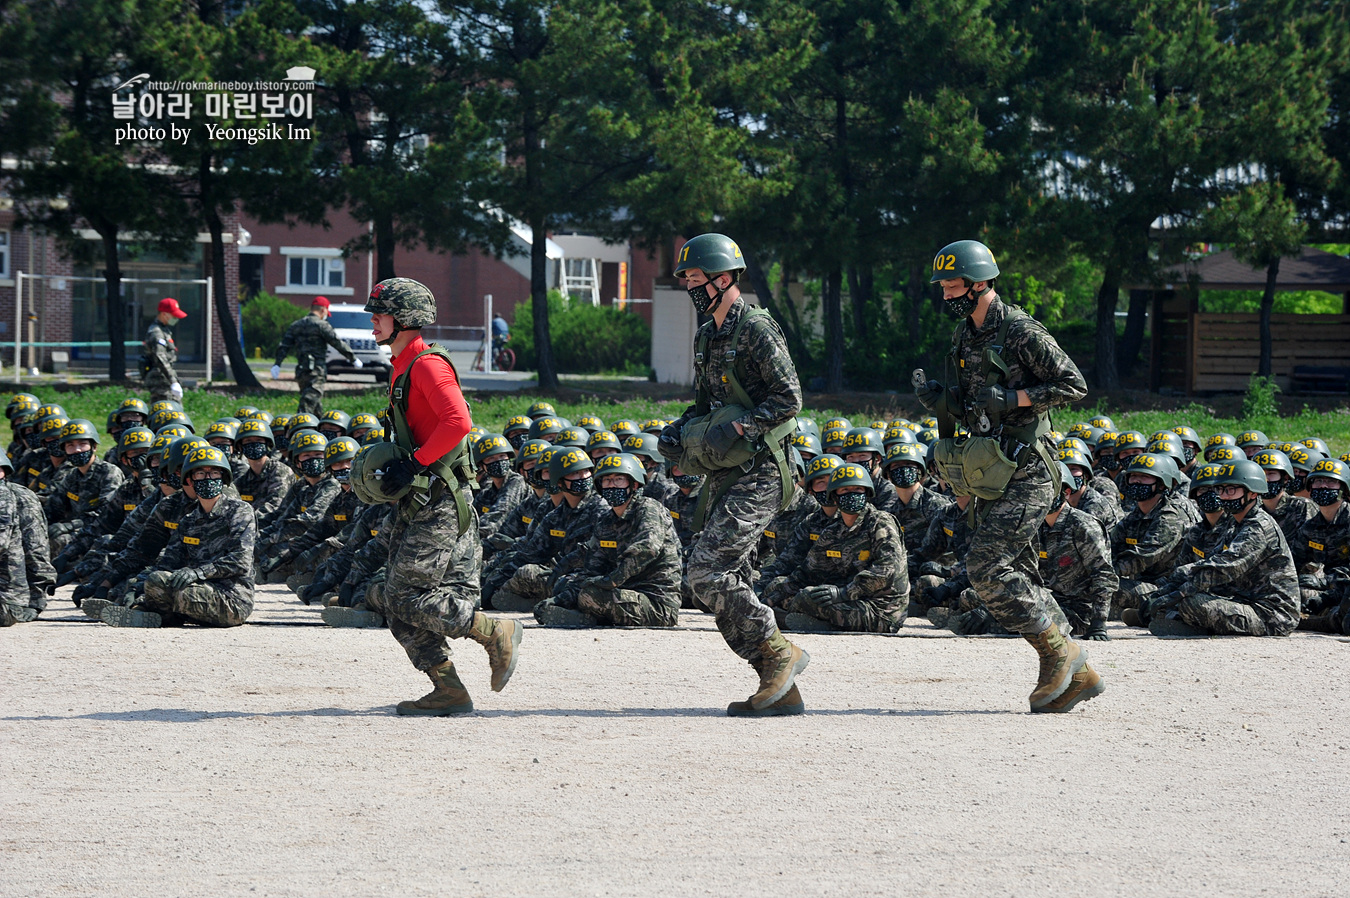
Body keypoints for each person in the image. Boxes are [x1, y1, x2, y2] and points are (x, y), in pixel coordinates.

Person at [916, 238, 1098, 712]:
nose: (946, 296)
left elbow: (1074, 384)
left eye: (952, 287)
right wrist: (943, 402)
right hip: (994, 468)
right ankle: (1075, 671)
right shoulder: (964, 335)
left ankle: (1060, 654)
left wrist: (1017, 400)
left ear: (979, 285)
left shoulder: (1019, 330)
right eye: (943, 288)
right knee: (1017, 571)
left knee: (985, 565)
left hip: (1031, 467)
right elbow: (972, 400)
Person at [360, 277, 521, 716]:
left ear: (405, 319)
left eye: (381, 313)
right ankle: (448, 688)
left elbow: (459, 422)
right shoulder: (402, 364)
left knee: (406, 594)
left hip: (440, 498)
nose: (373, 320)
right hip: (420, 498)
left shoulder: (427, 365)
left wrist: (413, 463)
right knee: (397, 601)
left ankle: (494, 630)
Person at [662, 233, 808, 718]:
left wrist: (744, 425)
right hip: (727, 471)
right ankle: (777, 683)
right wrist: (679, 431)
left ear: (724, 279)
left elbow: (789, 399)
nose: (688, 286)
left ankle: (778, 653)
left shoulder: (757, 329)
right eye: (684, 278)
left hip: (764, 468)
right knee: (727, 578)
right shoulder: (708, 334)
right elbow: (707, 406)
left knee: (707, 571)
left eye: (695, 278)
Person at [102, 446, 257, 628]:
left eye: (214, 473)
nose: (208, 479)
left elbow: (240, 560)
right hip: (197, 592)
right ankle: (151, 612)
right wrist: (138, 588)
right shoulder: (188, 521)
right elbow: (168, 563)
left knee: (166, 589)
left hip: (231, 599)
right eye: (200, 474)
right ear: (190, 481)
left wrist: (198, 572)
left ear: (223, 478)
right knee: (156, 579)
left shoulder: (240, 511)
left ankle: (149, 612)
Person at [1144, 459, 1299, 638]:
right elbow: (1212, 559)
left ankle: (1187, 622)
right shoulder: (1234, 523)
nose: (1224, 496)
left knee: (1192, 603)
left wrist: (1178, 593)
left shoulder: (1259, 526)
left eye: (1231, 490)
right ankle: (1177, 618)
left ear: (1253, 493)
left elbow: (1223, 568)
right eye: (1221, 490)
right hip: (1243, 600)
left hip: (1271, 615)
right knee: (1180, 591)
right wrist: (1169, 586)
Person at [534, 453, 682, 629]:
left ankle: (588, 617)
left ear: (634, 484)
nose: (612, 485)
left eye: (619, 479)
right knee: (569, 585)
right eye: (607, 480)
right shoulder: (606, 521)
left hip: (656, 603)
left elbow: (646, 548)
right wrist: (558, 599)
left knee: (591, 595)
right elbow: (593, 564)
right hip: (624, 593)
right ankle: (578, 612)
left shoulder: (648, 509)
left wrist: (611, 580)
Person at [272, 296, 361, 416]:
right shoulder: (322, 325)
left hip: (302, 370)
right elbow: (337, 343)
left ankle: (320, 426)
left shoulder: (296, 325)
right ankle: (301, 426)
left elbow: (284, 346)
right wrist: (353, 358)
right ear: (323, 310)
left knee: (314, 403)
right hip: (316, 370)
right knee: (308, 401)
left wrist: (277, 364)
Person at [142, 298, 186, 404]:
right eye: (173, 315)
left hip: (165, 380)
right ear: (164, 314)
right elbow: (160, 357)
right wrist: (173, 381)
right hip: (160, 382)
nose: (175, 318)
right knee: (166, 413)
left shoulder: (164, 330)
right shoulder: (156, 332)